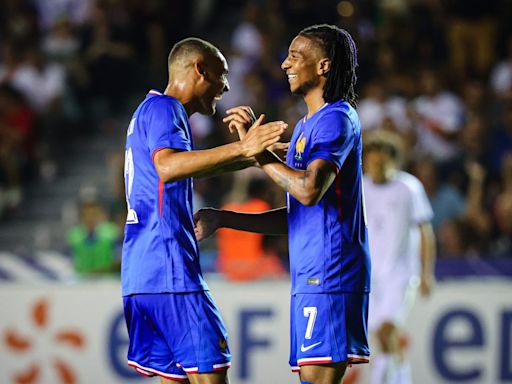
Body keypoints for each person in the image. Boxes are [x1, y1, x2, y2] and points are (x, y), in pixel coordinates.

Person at [195, 24, 371, 384]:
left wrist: (259, 154)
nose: (284, 65)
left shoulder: (336, 118)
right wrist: (225, 218)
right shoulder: (307, 126)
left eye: (295, 55)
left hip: (331, 272)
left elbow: (308, 191)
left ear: (323, 66)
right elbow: (298, 215)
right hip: (312, 272)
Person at [121, 37, 286, 384]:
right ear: (199, 69)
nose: (225, 85)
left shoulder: (148, 111)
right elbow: (169, 166)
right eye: (221, 75)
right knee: (211, 376)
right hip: (170, 272)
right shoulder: (167, 110)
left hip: (140, 275)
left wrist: (250, 156)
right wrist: (243, 148)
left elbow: (183, 167)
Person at [362, 130, 436, 384]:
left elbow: (425, 232)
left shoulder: (409, 187)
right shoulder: (360, 188)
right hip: (371, 276)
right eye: (371, 162)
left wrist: (426, 273)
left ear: (393, 161)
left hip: (401, 273)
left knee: (387, 329)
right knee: (382, 339)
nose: (376, 168)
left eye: (381, 162)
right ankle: (398, 378)